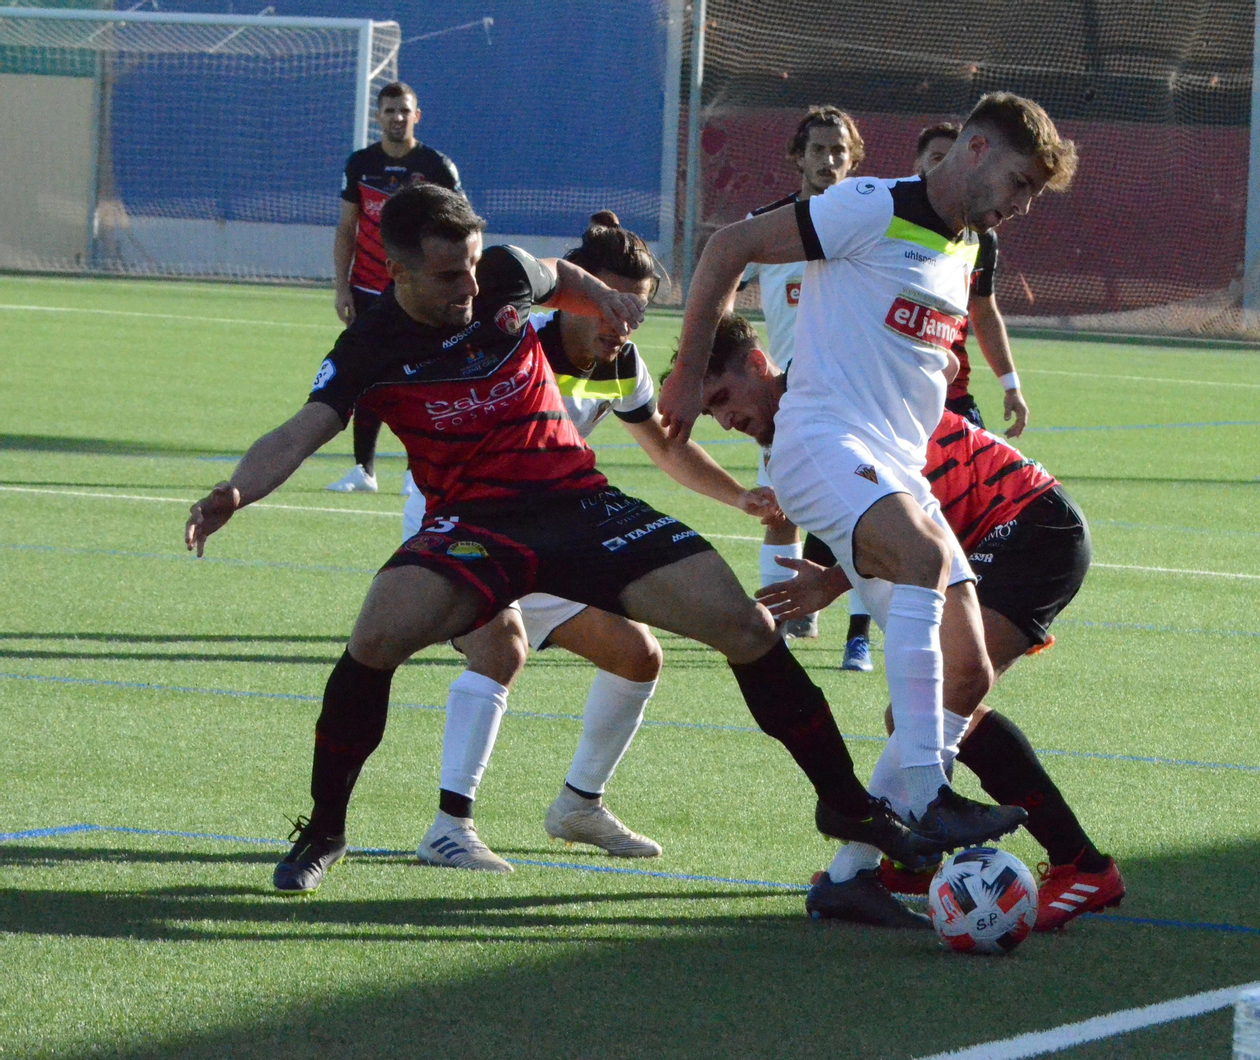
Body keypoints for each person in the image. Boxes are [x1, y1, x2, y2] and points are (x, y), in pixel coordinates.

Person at [185, 184, 942, 896]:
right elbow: (299, 433)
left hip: (577, 505)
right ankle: (324, 830)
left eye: (475, 267)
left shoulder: (504, 275)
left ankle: (846, 805)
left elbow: (554, 274)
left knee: (744, 625)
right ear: (399, 271)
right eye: (450, 276)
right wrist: (238, 490)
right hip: (476, 526)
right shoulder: (369, 348)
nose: (470, 288)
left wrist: (603, 295)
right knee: (375, 636)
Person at [662, 92, 1078, 923]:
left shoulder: (967, 248)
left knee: (966, 671)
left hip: (895, 469)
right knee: (923, 559)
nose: (1021, 203)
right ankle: (924, 795)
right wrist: (683, 369)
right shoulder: (871, 204)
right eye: (1020, 182)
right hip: (821, 442)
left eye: (1032, 193)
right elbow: (730, 245)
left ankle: (851, 879)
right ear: (976, 148)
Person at [697, 314, 1124, 930]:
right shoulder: (807, 418)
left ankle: (1080, 866)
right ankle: (881, 861)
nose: (726, 420)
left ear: (759, 365)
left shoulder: (820, 404)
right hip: (986, 530)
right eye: (711, 412)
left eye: (722, 398)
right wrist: (831, 577)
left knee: (948, 697)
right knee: (929, 712)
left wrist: (834, 578)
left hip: (1028, 525)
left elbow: (901, 518)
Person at [405, 212, 779, 870]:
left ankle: (579, 805)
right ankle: (447, 826)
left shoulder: (619, 365)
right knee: (500, 647)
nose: (618, 324)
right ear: (569, 292)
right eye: (606, 305)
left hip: (541, 531)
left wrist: (741, 497)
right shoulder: (513, 340)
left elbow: (667, 450)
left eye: (632, 312)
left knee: (637, 656)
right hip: (461, 520)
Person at [736, 106, 876, 672]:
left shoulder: (870, 223)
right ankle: (782, 616)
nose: (829, 160)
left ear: (853, 158)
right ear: (799, 157)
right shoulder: (769, 224)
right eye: (818, 150)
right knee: (778, 510)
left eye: (839, 151)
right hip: (785, 399)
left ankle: (859, 635)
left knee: (866, 508)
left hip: (855, 392)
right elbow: (724, 272)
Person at [328, 81, 461, 494]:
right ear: (377, 116)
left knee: (423, 380)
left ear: (416, 116)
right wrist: (341, 287)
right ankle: (363, 470)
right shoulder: (361, 164)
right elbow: (347, 228)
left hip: (419, 293)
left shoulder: (437, 167)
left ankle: (416, 473)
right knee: (366, 379)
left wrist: (453, 285)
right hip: (367, 291)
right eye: (389, 111)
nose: (397, 118)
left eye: (404, 110)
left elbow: (461, 229)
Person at [913, 122, 1029, 438]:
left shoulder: (981, 238)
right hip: (899, 396)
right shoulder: (889, 218)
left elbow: (984, 312)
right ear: (918, 165)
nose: (946, 168)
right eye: (937, 158)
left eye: (954, 159)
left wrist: (1010, 385)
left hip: (954, 398)